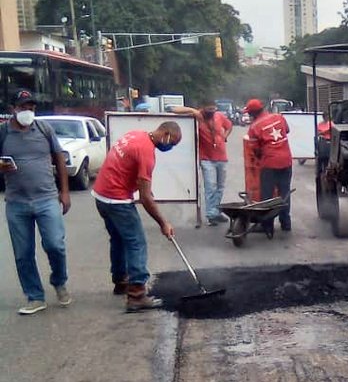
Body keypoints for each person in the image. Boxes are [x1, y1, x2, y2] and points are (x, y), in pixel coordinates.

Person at [91, 120, 182, 312]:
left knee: (118, 239)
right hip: (116, 200)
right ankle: (137, 294)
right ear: (165, 133)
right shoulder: (146, 152)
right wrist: (163, 223)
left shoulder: (136, 134)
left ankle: (121, 281)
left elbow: (141, 187)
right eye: (172, 142)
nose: (170, 147)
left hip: (101, 195)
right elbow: (145, 198)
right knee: (136, 243)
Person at [0, 90, 72, 315]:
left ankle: (59, 281)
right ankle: (35, 297)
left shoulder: (44, 129)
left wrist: (65, 191)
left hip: (46, 198)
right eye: (23, 108)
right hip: (16, 202)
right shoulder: (3, 133)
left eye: (31, 108)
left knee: (55, 245)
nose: (28, 112)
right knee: (23, 253)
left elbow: (59, 157)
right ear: (13, 109)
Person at [170, 103, 232, 226]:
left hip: (222, 157)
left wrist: (225, 136)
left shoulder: (219, 116)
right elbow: (174, 109)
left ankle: (216, 211)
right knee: (211, 187)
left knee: (220, 187)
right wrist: (193, 110)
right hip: (206, 158)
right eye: (209, 109)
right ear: (203, 109)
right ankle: (211, 214)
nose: (212, 112)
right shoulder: (198, 117)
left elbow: (229, 126)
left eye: (213, 109)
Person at [243, 98, 292, 233]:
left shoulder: (254, 127)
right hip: (286, 160)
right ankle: (286, 223)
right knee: (284, 193)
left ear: (252, 113)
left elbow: (255, 149)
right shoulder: (279, 117)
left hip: (269, 163)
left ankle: (267, 225)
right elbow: (286, 131)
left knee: (267, 196)